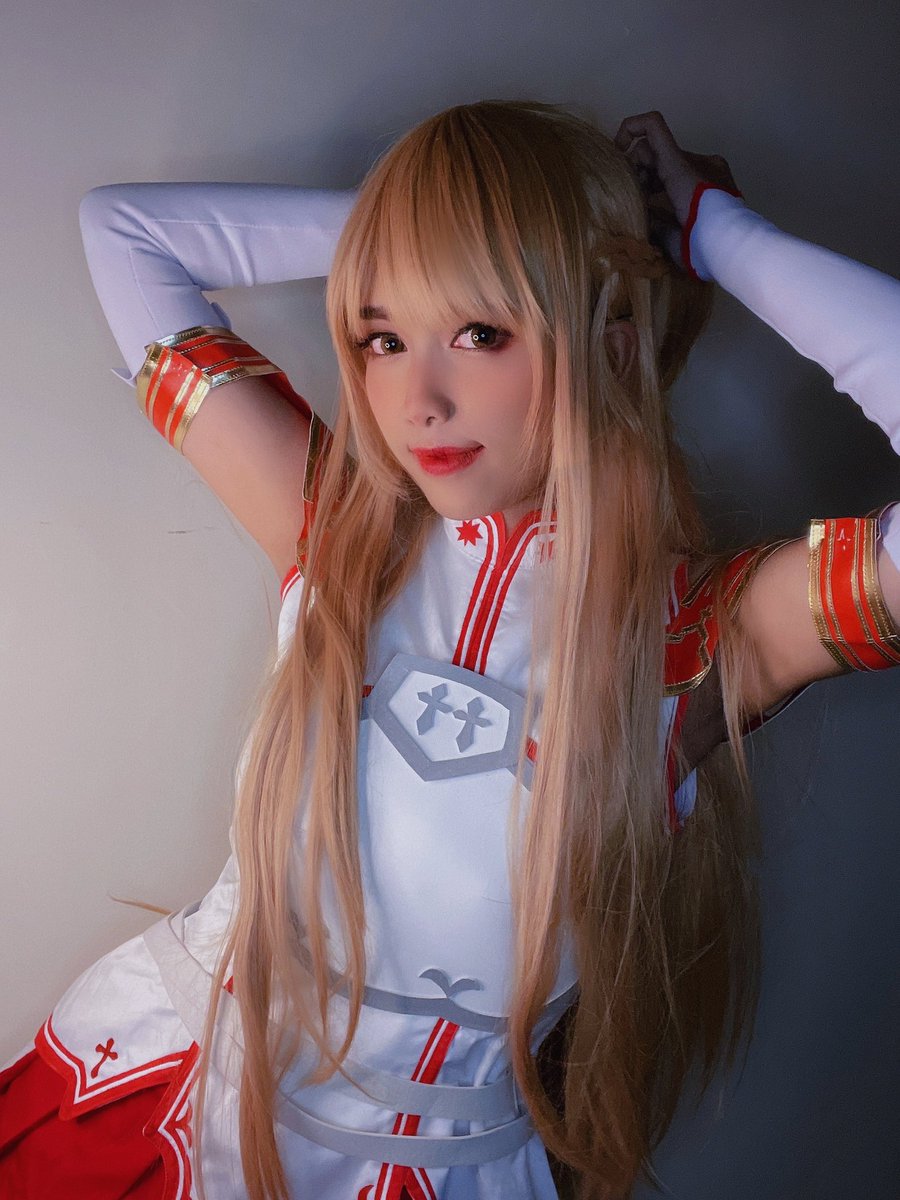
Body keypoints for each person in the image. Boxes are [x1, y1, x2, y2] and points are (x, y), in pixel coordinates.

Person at [2, 100, 899, 1200]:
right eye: (383, 337)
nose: (416, 402)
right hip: (146, 1109)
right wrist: (437, 233)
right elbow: (125, 234)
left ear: (610, 339)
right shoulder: (338, 538)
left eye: (481, 332)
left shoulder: (698, 640)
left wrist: (716, 233)